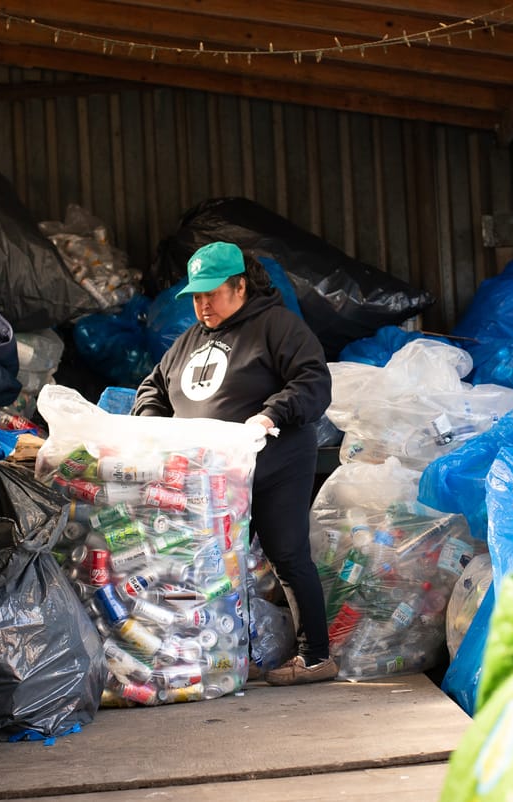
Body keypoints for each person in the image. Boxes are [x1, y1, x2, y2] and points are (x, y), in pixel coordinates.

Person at [132, 241, 337, 685]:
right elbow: (152, 389)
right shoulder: (188, 342)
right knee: (201, 564)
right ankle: (202, 661)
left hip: (275, 464)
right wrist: (153, 426)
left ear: (240, 286)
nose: (203, 305)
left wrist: (270, 414)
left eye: (213, 293)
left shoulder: (278, 327)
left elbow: (313, 381)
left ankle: (316, 657)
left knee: (287, 554)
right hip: (208, 478)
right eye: (197, 296)